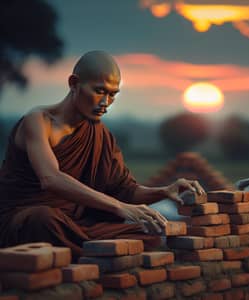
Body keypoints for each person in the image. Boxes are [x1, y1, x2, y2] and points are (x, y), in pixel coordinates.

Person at [0, 50, 205, 259]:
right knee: (42, 219)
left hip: (74, 224)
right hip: (24, 218)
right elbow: (50, 179)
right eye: (99, 91)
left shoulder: (100, 134)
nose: (105, 102)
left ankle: (86, 249)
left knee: (149, 232)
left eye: (113, 94)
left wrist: (164, 191)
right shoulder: (38, 121)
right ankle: (91, 250)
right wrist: (119, 207)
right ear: (73, 83)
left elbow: (125, 191)